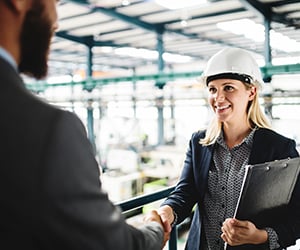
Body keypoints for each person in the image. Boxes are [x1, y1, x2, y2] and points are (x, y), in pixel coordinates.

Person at [0, 0, 167, 249]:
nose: (56, 20)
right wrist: (154, 230)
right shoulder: (48, 130)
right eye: (54, 1)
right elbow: (112, 245)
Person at [157, 47, 300, 250]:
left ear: (251, 92)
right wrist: (167, 211)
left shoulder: (279, 148)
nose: (219, 98)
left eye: (229, 88)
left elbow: (297, 215)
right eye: (213, 89)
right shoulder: (199, 142)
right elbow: (186, 192)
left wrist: (260, 236)